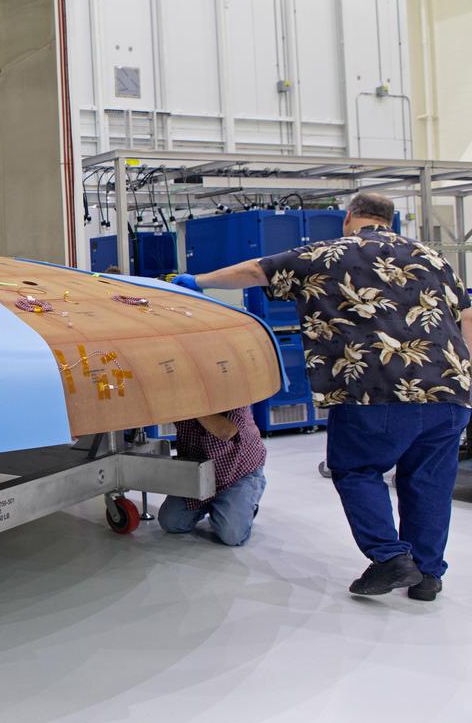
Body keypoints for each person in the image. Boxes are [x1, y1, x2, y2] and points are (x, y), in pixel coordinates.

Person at [173, 193, 472, 600]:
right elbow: (466, 314)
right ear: (391, 220)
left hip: (373, 389)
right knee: (429, 482)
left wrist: (198, 281)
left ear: (348, 217)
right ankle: (428, 576)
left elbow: (257, 270)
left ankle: (389, 557)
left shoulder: (329, 253)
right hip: (449, 391)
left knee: (356, 469)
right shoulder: (433, 258)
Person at [159, 408, 266, 546]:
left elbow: (226, 431)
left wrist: (191, 405)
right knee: (170, 522)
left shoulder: (233, 395)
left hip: (238, 471)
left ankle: (246, 505)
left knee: (232, 534)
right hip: (199, 472)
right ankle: (216, 506)